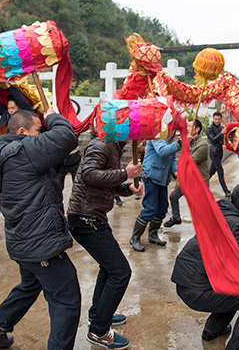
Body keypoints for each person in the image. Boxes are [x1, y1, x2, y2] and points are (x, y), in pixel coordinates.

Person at [0, 109, 80, 350]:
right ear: (22, 132)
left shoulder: (5, 152)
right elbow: (66, 137)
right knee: (66, 298)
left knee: (30, 285)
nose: (42, 134)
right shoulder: (22, 150)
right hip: (39, 243)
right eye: (38, 130)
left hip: (23, 239)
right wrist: (53, 116)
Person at [171, 183, 239, 350]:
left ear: (231, 199)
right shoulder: (238, 226)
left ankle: (213, 329)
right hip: (198, 289)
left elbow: (230, 246)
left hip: (185, 279)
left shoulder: (218, 211)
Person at [67, 136, 144, 349]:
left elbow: (108, 183)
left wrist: (129, 187)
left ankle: (99, 315)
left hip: (93, 216)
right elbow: (90, 175)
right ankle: (99, 331)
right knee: (120, 272)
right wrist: (125, 173)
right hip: (85, 218)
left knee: (109, 269)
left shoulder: (114, 147)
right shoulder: (100, 144)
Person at [0, 84, 35, 222]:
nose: (10, 111)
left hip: (21, 156)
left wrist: (10, 87)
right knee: (1, 182)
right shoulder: (5, 115)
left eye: (13, 108)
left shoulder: (26, 117)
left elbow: (23, 103)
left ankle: (15, 214)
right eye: (8, 108)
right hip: (6, 155)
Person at [129, 137, 180, 252]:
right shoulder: (158, 135)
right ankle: (135, 237)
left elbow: (172, 158)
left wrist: (175, 170)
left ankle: (153, 235)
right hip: (152, 176)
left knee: (162, 208)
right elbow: (162, 151)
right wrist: (180, 143)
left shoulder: (172, 137)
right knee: (150, 208)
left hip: (163, 177)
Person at [165, 120, 210, 227]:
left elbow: (190, 161)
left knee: (199, 209)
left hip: (199, 180)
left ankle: (204, 232)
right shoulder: (189, 141)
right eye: (187, 126)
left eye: (190, 126)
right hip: (187, 178)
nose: (187, 128)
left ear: (197, 129)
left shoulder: (202, 145)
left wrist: (184, 146)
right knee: (173, 196)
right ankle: (176, 217)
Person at [206, 112, 231, 197]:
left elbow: (224, 139)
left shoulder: (222, 127)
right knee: (220, 171)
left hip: (220, 152)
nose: (217, 121)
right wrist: (221, 133)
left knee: (211, 171)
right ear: (213, 119)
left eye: (219, 119)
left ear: (221, 119)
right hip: (213, 152)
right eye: (215, 119)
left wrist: (225, 144)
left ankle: (200, 184)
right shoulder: (209, 128)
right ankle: (226, 191)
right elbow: (213, 139)